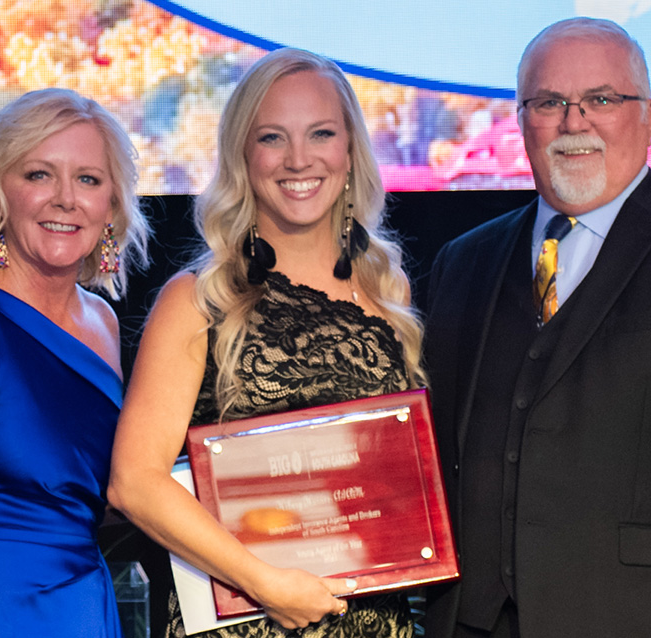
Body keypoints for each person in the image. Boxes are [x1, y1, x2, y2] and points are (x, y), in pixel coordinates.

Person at [424, 17, 651, 638]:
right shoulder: (463, 261)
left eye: (602, 100)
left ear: (648, 116)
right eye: (549, 102)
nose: (574, 121)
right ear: (520, 120)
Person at [107, 47, 426, 638]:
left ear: (350, 150)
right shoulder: (199, 298)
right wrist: (262, 581)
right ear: (242, 156)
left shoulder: (387, 286)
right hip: (244, 618)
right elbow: (135, 481)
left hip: (374, 619)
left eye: (321, 134)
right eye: (273, 138)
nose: (299, 159)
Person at [0, 88, 150, 637]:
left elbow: (73, 494)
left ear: (111, 205)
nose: (65, 199)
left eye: (88, 179)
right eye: (39, 174)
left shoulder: (104, 324)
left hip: (83, 609)